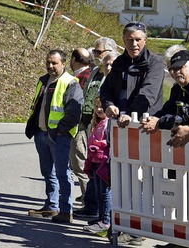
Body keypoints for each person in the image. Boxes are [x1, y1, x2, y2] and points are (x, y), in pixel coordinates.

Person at [25, 49, 84, 224]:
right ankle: (51, 206)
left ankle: (66, 211)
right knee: (47, 172)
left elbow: (74, 113)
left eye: (54, 63)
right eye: (48, 62)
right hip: (41, 133)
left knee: (62, 173)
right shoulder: (43, 80)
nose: (50, 66)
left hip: (59, 136)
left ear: (64, 63)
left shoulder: (71, 83)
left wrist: (59, 131)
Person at [74, 38, 118, 219]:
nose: (95, 55)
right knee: (90, 164)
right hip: (89, 122)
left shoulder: (115, 72)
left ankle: (104, 214)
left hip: (106, 125)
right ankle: (90, 204)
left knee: (101, 168)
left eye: (98, 52)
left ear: (109, 51)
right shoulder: (95, 71)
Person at [100, 22, 165, 128]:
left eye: (138, 40)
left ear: (145, 40)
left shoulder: (155, 63)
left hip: (145, 123)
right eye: (130, 40)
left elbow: (148, 93)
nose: (134, 44)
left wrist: (131, 115)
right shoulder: (118, 62)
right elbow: (105, 89)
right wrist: (108, 105)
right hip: (118, 122)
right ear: (124, 41)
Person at [141, 50, 189, 134]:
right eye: (171, 69)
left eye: (179, 68)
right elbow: (168, 110)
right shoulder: (177, 88)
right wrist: (151, 119)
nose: (174, 72)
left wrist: (160, 122)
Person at [82, 97, 112, 236]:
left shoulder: (108, 123)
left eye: (102, 107)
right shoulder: (98, 123)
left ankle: (106, 220)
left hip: (104, 162)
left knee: (105, 193)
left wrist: (98, 146)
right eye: (97, 106)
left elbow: (108, 142)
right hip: (96, 161)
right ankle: (101, 217)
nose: (99, 109)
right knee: (99, 192)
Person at [68, 48, 92, 211]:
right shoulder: (85, 75)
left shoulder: (83, 78)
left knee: (80, 165)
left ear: (73, 59)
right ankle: (87, 198)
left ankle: (89, 201)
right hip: (78, 127)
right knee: (78, 164)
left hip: (79, 127)